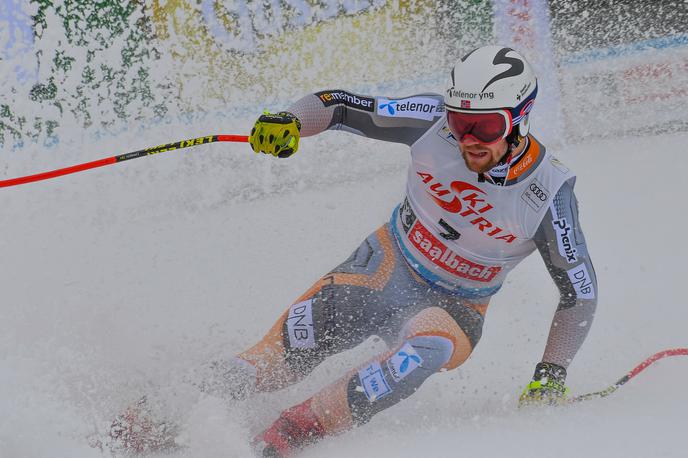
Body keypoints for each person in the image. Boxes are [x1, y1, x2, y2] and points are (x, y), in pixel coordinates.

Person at [111, 45, 598, 457]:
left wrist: (550, 375)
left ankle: (283, 438)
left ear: (518, 120)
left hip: (453, 307)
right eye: (460, 120)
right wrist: (291, 120)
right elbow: (339, 104)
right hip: (380, 268)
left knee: (426, 351)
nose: (468, 138)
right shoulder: (432, 121)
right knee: (269, 363)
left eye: (485, 127)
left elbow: (580, 294)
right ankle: (154, 414)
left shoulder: (549, 192)